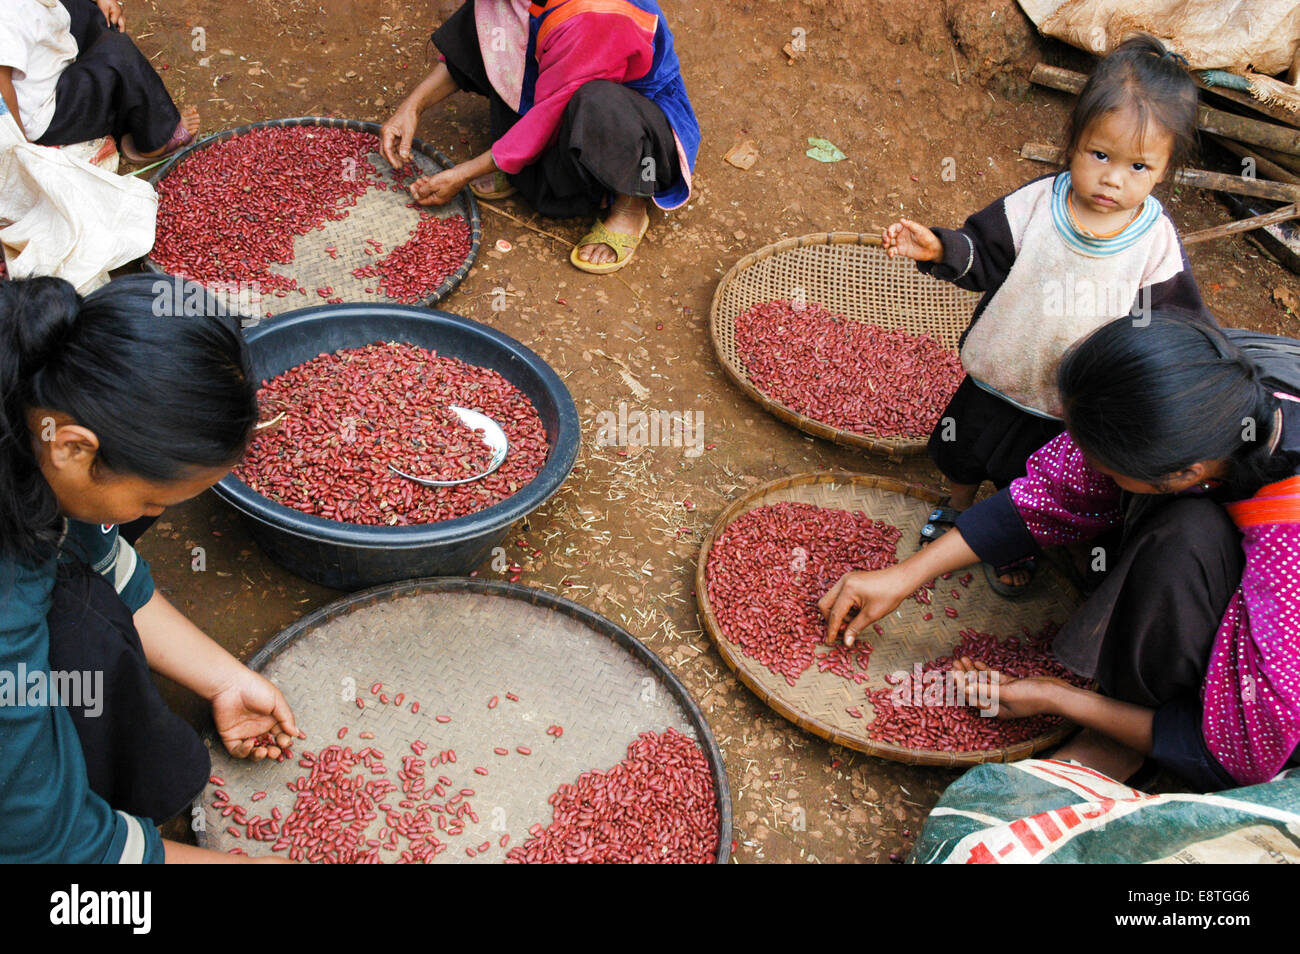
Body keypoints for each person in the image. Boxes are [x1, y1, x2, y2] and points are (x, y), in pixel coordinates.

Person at [819, 312, 1300, 793]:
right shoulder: (1205, 382)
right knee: (1147, 518)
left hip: (1281, 684)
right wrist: (907, 575)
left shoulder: (1287, 543)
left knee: (1184, 536)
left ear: (1185, 474)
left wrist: (1062, 698)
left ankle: (1125, 740)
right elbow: (1053, 490)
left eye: (1104, 465)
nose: (1083, 462)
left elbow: (1244, 755)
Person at [881, 34, 1209, 594]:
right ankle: (956, 510)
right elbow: (984, 252)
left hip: (1068, 404)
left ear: (1164, 171)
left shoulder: (1153, 241)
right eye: (1099, 155)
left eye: (1138, 166)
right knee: (961, 451)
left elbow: (1173, 322)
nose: (1112, 178)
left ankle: (1010, 538)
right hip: (998, 369)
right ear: (1073, 142)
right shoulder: (1039, 205)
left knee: (1030, 480)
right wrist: (940, 249)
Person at [0, 275, 301, 863]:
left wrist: (223, 678)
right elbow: (55, 854)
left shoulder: (37, 389)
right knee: (84, 633)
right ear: (72, 449)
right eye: (154, 501)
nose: (159, 515)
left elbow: (101, 552)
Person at [378, 0, 699, 275]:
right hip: (559, 82)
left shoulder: (596, 12)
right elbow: (485, 36)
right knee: (491, 11)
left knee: (598, 103)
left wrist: (463, 174)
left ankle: (631, 207)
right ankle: (515, 162)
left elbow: (552, 113)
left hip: (636, 133)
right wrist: (412, 107)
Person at [0, 0, 200, 161]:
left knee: (91, 12)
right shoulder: (7, 16)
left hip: (51, 53)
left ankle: (118, 85)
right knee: (118, 52)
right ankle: (157, 142)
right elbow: (2, 81)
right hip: (49, 110)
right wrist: (23, 148)